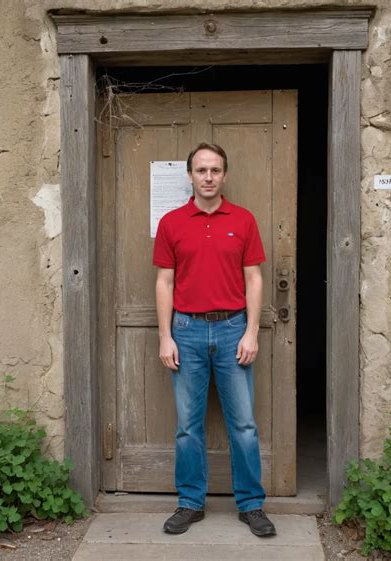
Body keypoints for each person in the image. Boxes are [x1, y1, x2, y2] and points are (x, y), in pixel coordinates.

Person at [153, 142, 276, 537]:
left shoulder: (243, 220)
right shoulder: (172, 223)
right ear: (190, 175)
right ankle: (190, 503)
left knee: (243, 425)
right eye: (201, 170)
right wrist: (165, 337)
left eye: (215, 170)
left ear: (225, 175)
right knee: (188, 426)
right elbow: (164, 282)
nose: (208, 177)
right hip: (186, 331)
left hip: (232, 329)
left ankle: (251, 505)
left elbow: (254, 278)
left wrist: (252, 331)